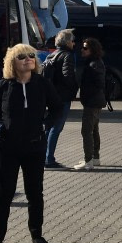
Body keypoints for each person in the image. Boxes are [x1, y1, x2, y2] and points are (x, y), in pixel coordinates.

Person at [0, 44, 61, 243]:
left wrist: (46, 124)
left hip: (34, 147)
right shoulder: (2, 86)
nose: (28, 59)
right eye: (22, 56)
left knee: (35, 193)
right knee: (5, 194)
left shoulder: (43, 84)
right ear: (12, 62)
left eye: (31, 56)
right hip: (7, 149)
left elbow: (57, 107)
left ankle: (37, 235)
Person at [43, 29, 78, 168]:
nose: (74, 43)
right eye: (72, 40)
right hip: (62, 96)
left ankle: (43, 157)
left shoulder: (51, 55)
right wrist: (74, 89)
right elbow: (67, 76)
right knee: (56, 128)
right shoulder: (67, 56)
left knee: (49, 127)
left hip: (50, 96)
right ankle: (49, 159)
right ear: (68, 42)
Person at [74, 37, 106, 171]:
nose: (82, 50)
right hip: (95, 101)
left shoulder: (93, 65)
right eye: (82, 47)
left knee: (86, 131)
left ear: (92, 50)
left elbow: (97, 83)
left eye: (85, 48)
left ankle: (88, 161)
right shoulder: (94, 63)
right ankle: (95, 158)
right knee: (93, 130)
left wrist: (86, 95)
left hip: (92, 102)